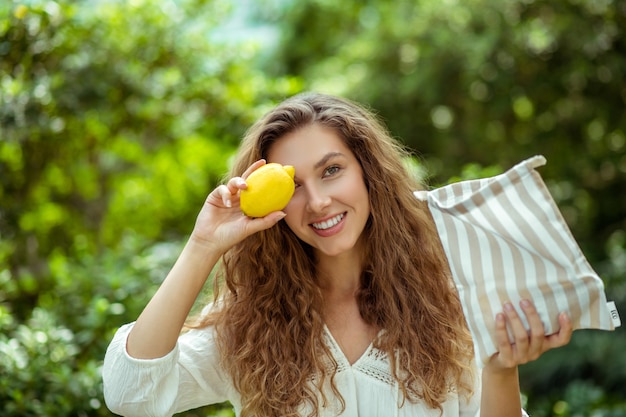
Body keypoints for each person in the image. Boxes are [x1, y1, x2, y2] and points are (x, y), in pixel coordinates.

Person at [102, 92, 573, 417]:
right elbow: (130, 394)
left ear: (367, 172)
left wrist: (501, 369)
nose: (319, 201)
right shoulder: (248, 325)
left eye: (331, 170)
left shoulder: (450, 304)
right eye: (294, 186)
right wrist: (203, 245)